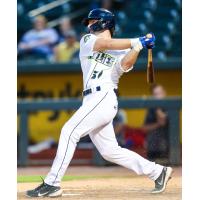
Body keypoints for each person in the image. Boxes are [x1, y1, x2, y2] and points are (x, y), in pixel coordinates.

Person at [26, 8, 172, 198]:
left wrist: (138, 47)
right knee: (109, 151)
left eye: (92, 21)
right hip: (92, 99)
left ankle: (52, 183)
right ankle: (157, 172)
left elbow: (124, 66)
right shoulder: (88, 40)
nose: (88, 24)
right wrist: (137, 40)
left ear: (103, 22)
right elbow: (105, 43)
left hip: (103, 97)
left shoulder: (124, 48)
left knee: (69, 131)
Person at [142, 84, 169, 160]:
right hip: (152, 147)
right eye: (155, 94)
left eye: (159, 93)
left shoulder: (169, 106)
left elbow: (162, 121)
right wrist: (156, 124)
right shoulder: (151, 109)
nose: (158, 97)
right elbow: (144, 128)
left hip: (167, 148)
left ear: (164, 93)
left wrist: (156, 106)